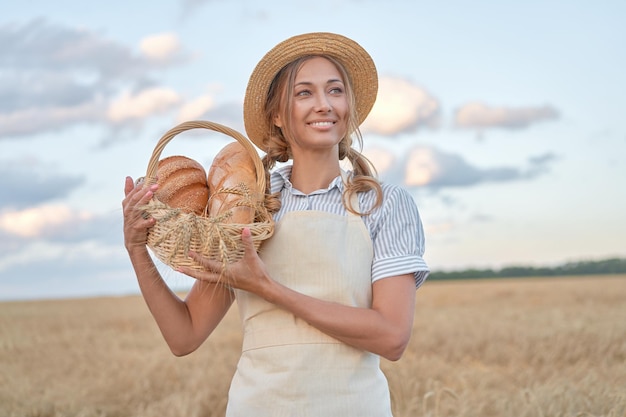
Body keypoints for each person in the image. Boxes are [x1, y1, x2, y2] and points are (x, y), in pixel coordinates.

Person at [122, 32, 429, 416]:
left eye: (335, 90)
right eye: (305, 93)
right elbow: (184, 335)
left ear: (348, 105)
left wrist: (267, 288)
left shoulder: (383, 204)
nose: (324, 104)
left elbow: (392, 336)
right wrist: (137, 250)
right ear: (277, 116)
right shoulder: (248, 205)